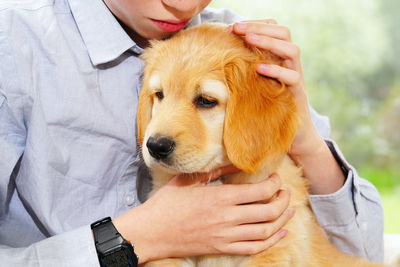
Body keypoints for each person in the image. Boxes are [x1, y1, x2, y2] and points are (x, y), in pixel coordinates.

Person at [0, 0, 383, 266]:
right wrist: (134, 238)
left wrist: (302, 137)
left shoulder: (235, 40)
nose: (184, 5)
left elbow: (363, 249)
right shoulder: (13, 45)